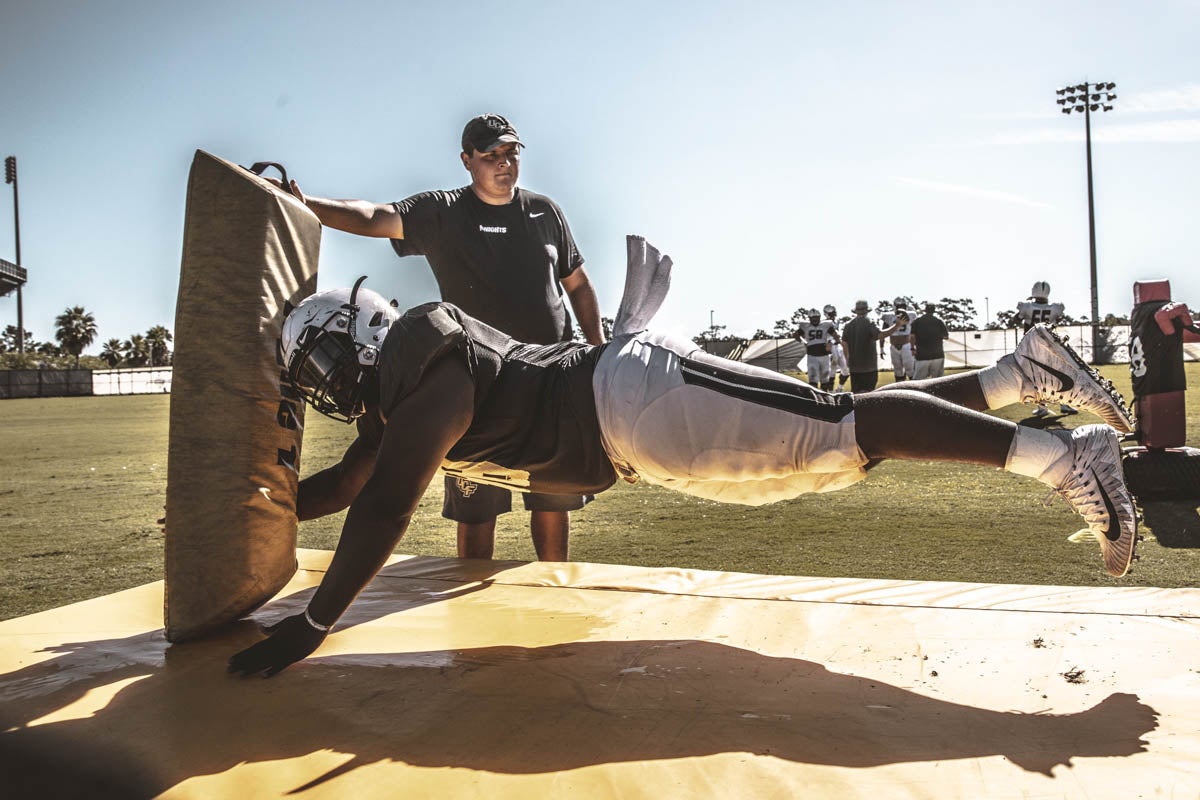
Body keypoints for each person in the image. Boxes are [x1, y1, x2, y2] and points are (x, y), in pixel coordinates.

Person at [227, 240, 1139, 678]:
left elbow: (384, 506)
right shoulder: (400, 404)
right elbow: (347, 487)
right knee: (841, 441)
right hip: (638, 441)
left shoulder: (422, 355)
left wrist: (313, 627)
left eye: (322, 362)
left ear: (361, 331)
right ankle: (1021, 375)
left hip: (635, 403)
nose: (328, 384)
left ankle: (1065, 459)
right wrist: (253, 508)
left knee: (840, 427)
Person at [271, 113, 603, 562]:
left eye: (511, 154)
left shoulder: (544, 212)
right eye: (491, 156)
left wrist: (597, 346)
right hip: (476, 391)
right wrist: (307, 203)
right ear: (467, 160)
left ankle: (554, 593)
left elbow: (577, 284)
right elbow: (375, 216)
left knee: (550, 503)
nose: (504, 164)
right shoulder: (442, 211)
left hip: (551, 382)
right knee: (475, 515)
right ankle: (468, 600)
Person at [1017, 282, 1075, 419]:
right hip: (1050, 348)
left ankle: (1042, 407)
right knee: (1059, 377)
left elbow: (1017, 318)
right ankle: (1064, 404)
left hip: (1033, 349)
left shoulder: (1027, 307)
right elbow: (1058, 319)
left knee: (1038, 381)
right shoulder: (1055, 308)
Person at [840, 300, 898, 393]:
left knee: (856, 394)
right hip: (869, 366)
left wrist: (847, 359)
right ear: (867, 311)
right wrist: (896, 326)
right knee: (869, 394)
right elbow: (880, 335)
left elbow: (844, 343)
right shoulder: (869, 322)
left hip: (855, 366)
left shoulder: (848, 325)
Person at [797, 310, 840, 392]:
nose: (815, 319)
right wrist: (804, 342)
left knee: (825, 378)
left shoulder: (825, 325)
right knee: (813, 379)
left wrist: (831, 343)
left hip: (824, 355)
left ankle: (825, 397)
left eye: (816, 317)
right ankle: (815, 398)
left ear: (820, 317)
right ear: (809, 318)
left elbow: (836, 336)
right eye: (813, 318)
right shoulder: (806, 326)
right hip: (812, 355)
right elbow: (796, 335)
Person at [911, 302, 951, 379]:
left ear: (925, 310)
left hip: (922, 355)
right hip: (937, 355)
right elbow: (946, 336)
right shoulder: (939, 321)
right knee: (938, 381)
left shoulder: (917, 321)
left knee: (918, 381)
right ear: (934, 310)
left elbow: (912, 336)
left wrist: (912, 348)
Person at [881, 297, 917, 381]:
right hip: (894, 346)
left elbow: (914, 332)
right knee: (898, 371)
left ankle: (914, 389)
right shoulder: (888, 316)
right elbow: (882, 333)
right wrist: (881, 348)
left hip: (906, 345)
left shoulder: (911, 315)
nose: (900, 308)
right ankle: (900, 391)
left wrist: (914, 346)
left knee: (910, 370)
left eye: (902, 305)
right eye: (899, 306)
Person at [824, 304, 850, 392]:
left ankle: (839, 387)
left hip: (839, 346)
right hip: (831, 346)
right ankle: (830, 392)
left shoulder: (836, 322)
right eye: (831, 314)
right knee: (832, 370)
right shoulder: (825, 323)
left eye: (834, 313)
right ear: (827, 314)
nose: (833, 315)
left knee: (846, 370)